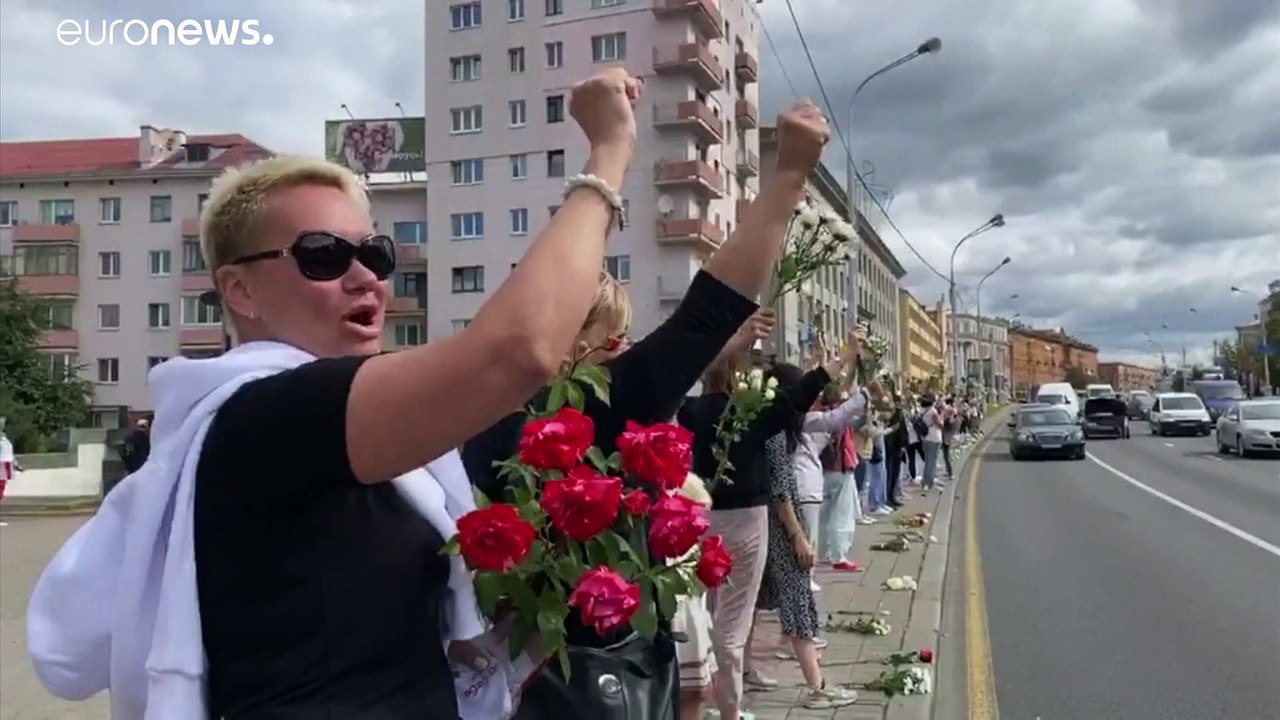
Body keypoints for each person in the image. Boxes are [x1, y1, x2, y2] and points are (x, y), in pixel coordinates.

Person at [27, 68, 644, 720]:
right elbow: (518, 351)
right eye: (322, 255)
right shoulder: (258, 418)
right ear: (240, 290)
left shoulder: (385, 460)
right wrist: (608, 151)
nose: (365, 278)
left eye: (375, 254)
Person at [469, 99, 831, 720]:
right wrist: (789, 176)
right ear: (569, 341)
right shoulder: (590, 410)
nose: (625, 350)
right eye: (613, 337)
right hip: (596, 683)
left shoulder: (469, 407)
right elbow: (704, 316)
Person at [678, 331, 861, 720]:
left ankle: (708, 687)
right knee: (733, 626)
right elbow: (800, 394)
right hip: (748, 520)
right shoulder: (753, 412)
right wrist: (844, 357)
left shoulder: (691, 411)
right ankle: (730, 709)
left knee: (708, 610)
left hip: (702, 518)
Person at [755, 431, 857, 710]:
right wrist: (797, 535)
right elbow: (781, 492)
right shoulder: (774, 434)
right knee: (797, 597)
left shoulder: (752, 428)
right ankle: (817, 687)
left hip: (756, 522)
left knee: (750, 603)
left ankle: (746, 672)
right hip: (780, 529)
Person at [920, 396, 944, 490]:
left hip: (926, 438)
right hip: (934, 438)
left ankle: (924, 480)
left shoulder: (923, 412)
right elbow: (940, 425)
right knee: (932, 461)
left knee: (927, 461)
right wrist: (942, 417)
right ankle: (929, 482)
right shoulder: (933, 412)